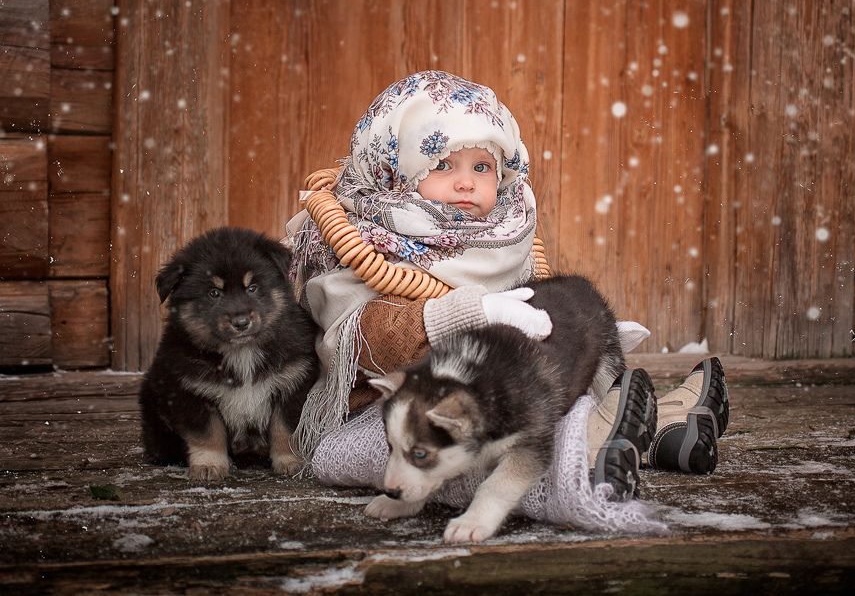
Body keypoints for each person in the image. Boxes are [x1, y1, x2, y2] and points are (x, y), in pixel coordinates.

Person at [285, 71, 728, 529]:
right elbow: (368, 335)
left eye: (482, 168)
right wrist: (468, 311)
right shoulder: (363, 237)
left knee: (542, 409)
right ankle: (601, 448)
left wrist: (568, 331)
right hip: (388, 411)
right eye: (441, 164)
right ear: (392, 169)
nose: (466, 183)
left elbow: (536, 334)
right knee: (343, 457)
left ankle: (631, 423)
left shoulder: (503, 235)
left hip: (500, 399)